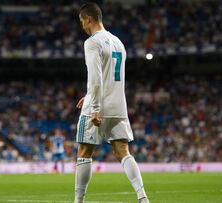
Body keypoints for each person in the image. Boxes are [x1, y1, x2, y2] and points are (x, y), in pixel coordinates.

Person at [74, 3, 150, 203]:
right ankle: (142, 197)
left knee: (84, 152)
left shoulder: (92, 42)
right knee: (122, 151)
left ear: (88, 19)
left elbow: (96, 77)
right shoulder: (118, 42)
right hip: (118, 105)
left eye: (82, 21)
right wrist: (89, 94)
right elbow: (110, 77)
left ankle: (78, 201)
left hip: (99, 106)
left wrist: (95, 106)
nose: (82, 25)